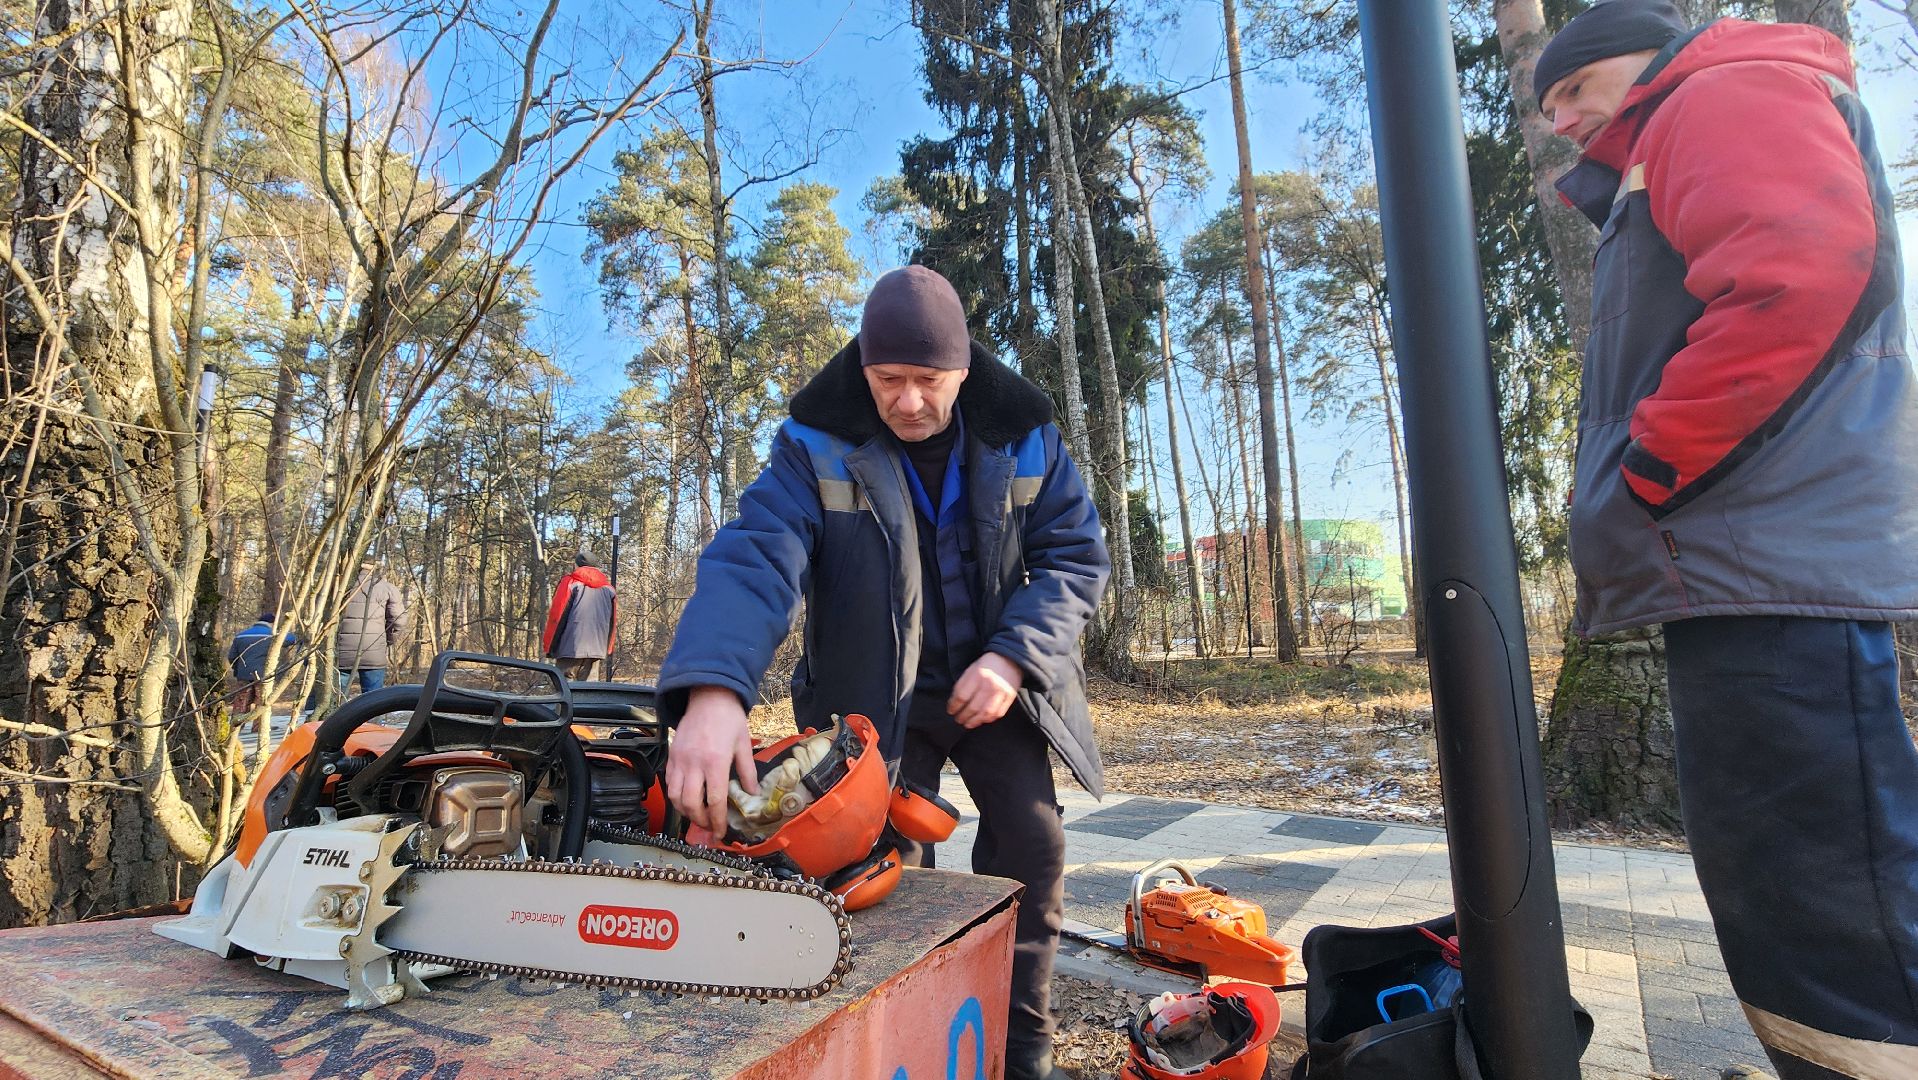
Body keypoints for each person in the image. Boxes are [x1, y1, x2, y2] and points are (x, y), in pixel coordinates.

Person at [1537, 4, 1918, 1078]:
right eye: (1549, 103)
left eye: (1572, 89)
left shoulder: (1718, 92)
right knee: (1795, 883)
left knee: (1825, 894)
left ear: (1640, 58)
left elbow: (1798, 272)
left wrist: (1652, 468)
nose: (1560, 120)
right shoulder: (1689, 122)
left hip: (1763, 554)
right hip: (1750, 557)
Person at [657, 265, 1110, 1080]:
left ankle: (1022, 1050)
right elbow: (756, 558)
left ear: (963, 369)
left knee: (1034, 846)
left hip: (997, 688)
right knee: (876, 875)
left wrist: (1014, 656)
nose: (907, 401)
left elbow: (1075, 560)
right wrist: (714, 690)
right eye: (888, 379)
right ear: (863, 368)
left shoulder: (1026, 434)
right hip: (872, 699)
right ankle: (905, 1046)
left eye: (928, 380)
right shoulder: (813, 443)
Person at [542, 547, 618, 682]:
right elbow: (612, 622)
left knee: (564, 689)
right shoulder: (609, 590)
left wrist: (550, 646)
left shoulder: (570, 583)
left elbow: (557, 616)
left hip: (569, 649)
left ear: (576, 565)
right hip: (596, 650)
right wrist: (607, 648)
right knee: (589, 691)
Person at [336, 560, 407, 695]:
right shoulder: (387, 588)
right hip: (373, 652)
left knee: (336, 699)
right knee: (373, 701)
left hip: (341, 652)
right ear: (375, 568)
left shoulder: (338, 586)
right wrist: (387, 640)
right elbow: (399, 621)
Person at [227, 613, 293, 713]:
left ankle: (237, 722)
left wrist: (238, 670)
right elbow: (292, 639)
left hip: (243, 675)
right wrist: (282, 630)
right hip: (264, 676)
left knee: (241, 704)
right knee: (261, 705)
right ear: (272, 623)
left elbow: (232, 657)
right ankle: (259, 723)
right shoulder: (273, 635)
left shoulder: (240, 636)